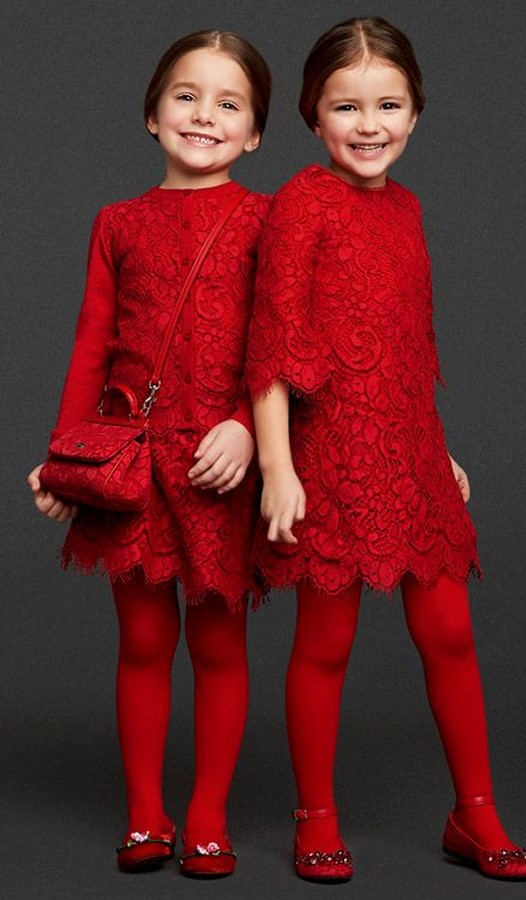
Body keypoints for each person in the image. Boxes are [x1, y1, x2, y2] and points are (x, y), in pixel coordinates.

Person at [246, 16, 526, 883]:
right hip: (330, 459)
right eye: (347, 106)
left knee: (449, 633)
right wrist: (277, 468)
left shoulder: (406, 209)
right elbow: (272, 346)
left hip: (410, 456)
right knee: (326, 641)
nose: (369, 125)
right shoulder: (302, 202)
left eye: (388, 105)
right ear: (313, 115)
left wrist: (436, 449)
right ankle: (315, 818)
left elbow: (410, 349)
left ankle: (474, 813)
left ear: (415, 113)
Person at [27, 29, 271, 878]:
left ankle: (207, 813)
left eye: (228, 103)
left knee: (219, 645)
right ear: (151, 113)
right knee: (140, 640)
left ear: (255, 134)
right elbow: (91, 343)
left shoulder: (266, 219)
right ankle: (144, 812)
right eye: (186, 95)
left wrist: (245, 425)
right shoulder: (118, 222)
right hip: (133, 463)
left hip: (219, 466)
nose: (204, 115)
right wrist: (66, 456)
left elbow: (280, 343)